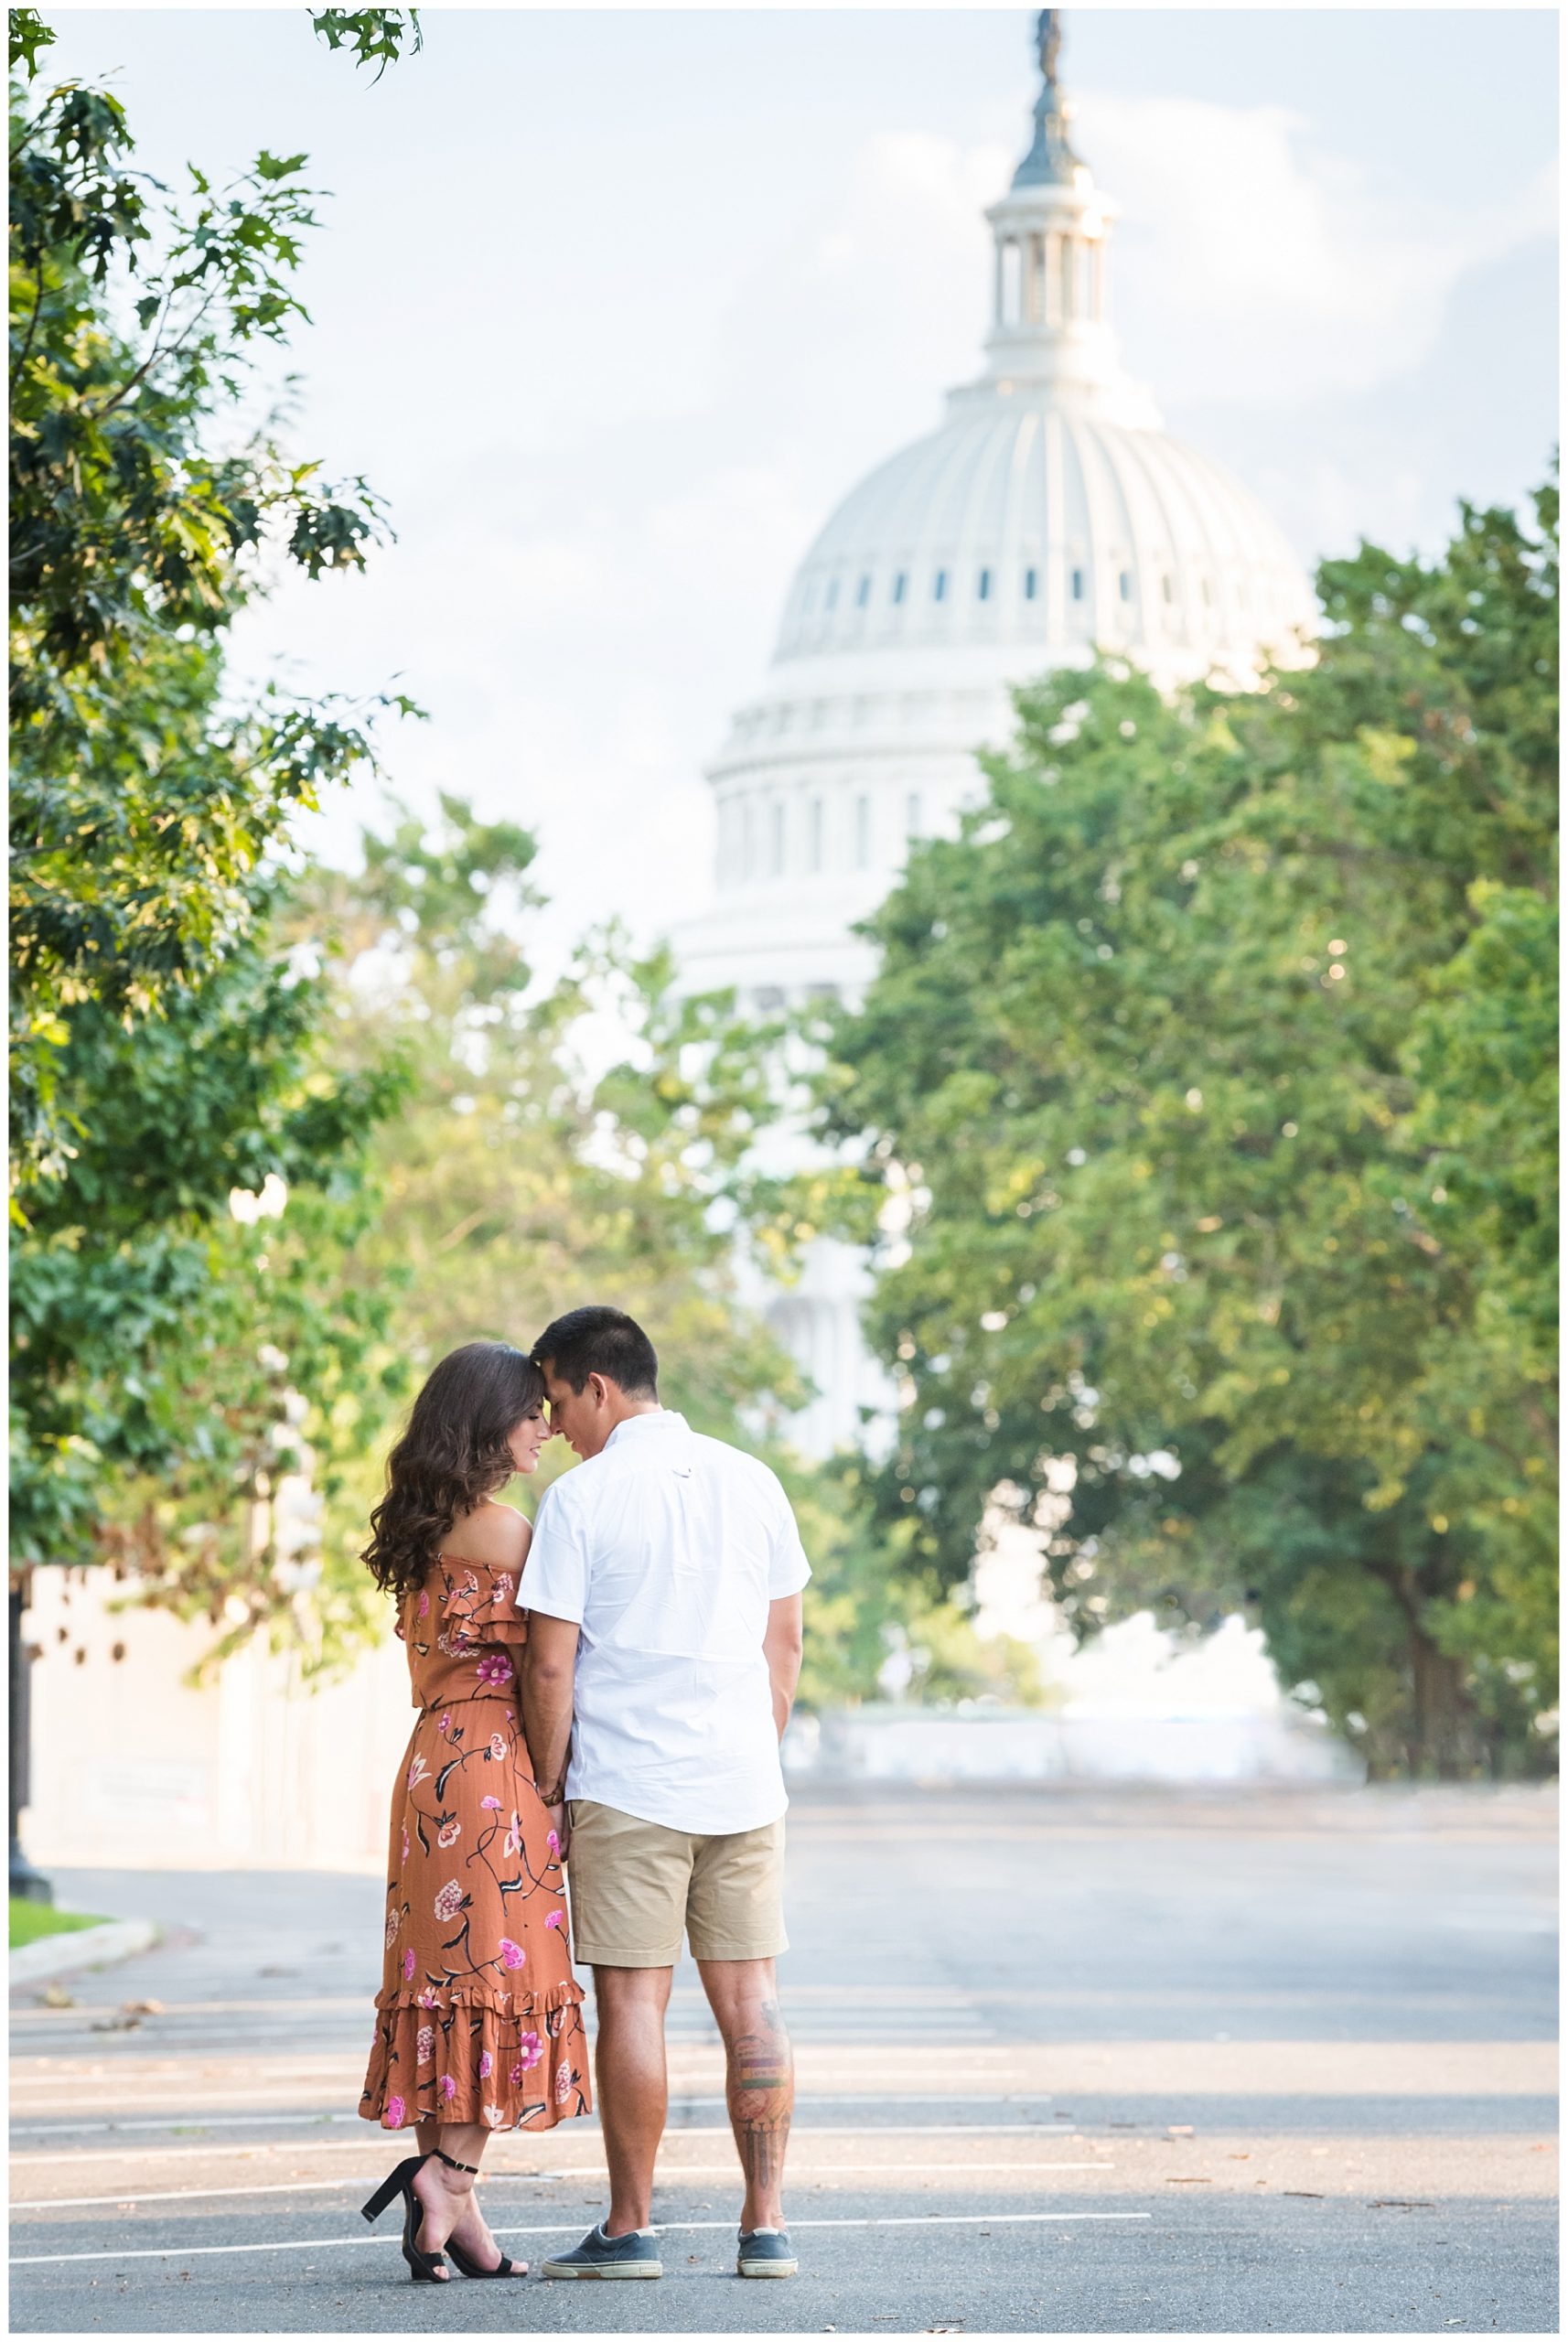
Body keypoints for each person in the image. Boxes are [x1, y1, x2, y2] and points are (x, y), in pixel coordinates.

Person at [519, 1305, 810, 2283]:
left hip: (627, 1784)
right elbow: (786, 1642)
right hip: (741, 1780)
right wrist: (749, 1746)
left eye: (557, 1398)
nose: (553, 1423)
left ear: (598, 1387)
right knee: (751, 1999)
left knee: (634, 2003)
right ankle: (764, 2225)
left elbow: (550, 1670)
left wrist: (549, 1776)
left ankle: (631, 2228)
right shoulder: (753, 1479)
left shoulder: (580, 1499)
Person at [357, 1340, 592, 2283]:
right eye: (530, 1410)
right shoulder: (511, 1531)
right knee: (499, 1978)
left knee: (441, 1982)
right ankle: (446, 2177)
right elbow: (546, 1670)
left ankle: (456, 2215)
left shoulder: (419, 1530)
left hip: (428, 1765)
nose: (545, 1425)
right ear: (490, 1419)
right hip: (496, 1769)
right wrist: (553, 1778)